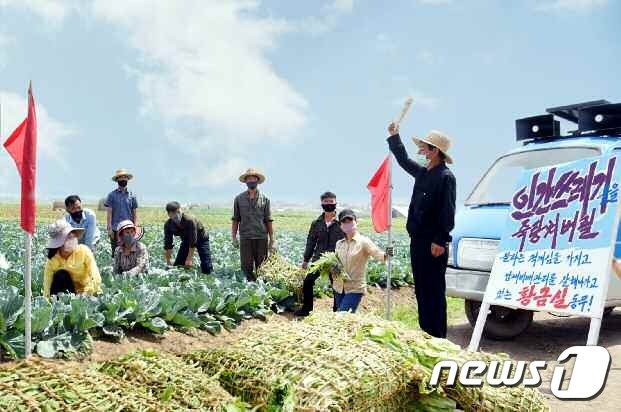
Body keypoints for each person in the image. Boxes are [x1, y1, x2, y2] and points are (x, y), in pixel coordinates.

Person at [386, 122, 456, 338]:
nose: (421, 151)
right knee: (422, 289)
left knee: (434, 291)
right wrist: (395, 136)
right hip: (417, 241)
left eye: (424, 148)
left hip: (434, 244)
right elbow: (403, 160)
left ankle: (438, 337)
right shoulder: (423, 173)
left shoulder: (446, 177)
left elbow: (447, 212)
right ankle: (426, 332)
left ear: (435, 151)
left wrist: (440, 239)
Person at [294, 191, 345, 317]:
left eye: (331, 202)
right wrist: (306, 260)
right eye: (326, 202)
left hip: (336, 259)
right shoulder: (316, 223)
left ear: (335, 203)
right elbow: (311, 241)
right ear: (322, 204)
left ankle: (338, 310)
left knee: (337, 285)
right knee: (308, 281)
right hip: (319, 259)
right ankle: (306, 309)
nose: (329, 204)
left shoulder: (342, 222)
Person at [332, 209, 392, 313]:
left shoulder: (363, 242)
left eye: (350, 221)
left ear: (356, 222)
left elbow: (379, 255)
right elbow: (335, 263)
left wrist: (389, 251)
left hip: (355, 288)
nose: (347, 224)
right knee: (344, 320)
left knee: (342, 316)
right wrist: (333, 268)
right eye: (344, 222)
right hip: (338, 287)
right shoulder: (339, 244)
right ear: (340, 225)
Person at [231, 168, 275, 281]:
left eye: (253, 178)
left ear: (257, 180)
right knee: (246, 267)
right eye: (249, 178)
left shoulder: (265, 200)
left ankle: (262, 290)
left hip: (261, 237)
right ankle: (250, 289)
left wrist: (272, 240)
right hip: (245, 238)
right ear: (245, 181)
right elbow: (235, 219)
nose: (251, 180)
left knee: (262, 267)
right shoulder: (238, 199)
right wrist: (233, 237)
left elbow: (268, 220)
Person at [43, 219, 102, 298]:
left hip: (86, 292)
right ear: (59, 243)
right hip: (67, 293)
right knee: (61, 274)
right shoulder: (53, 259)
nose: (73, 239)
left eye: (73, 236)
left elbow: (95, 276)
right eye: (68, 237)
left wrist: (87, 293)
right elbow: (47, 283)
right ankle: (59, 303)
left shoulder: (84, 251)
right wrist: (46, 300)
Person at [164, 201, 213, 274]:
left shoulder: (189, 220)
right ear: (169, 214)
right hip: (186, 240)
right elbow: (168, 244)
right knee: (178, 265)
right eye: (174, 214)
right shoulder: (168, 225)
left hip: (201, 239)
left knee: (206, 264)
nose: (177, 216)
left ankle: (208, 275)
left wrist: (189, 259)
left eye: (179, 212)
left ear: (180, 210)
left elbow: (193, 241)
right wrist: (168, 260)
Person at [105, 169, 138, 257]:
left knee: (130, 251)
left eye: (125, 177)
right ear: (117, 180)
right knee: (116, 252)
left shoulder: (132, 195)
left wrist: (136, 227)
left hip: (129, 229)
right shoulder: (111, 195)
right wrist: (109, 228)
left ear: (127, 179)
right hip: (115, 229)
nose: (123, 179)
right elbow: (109, 213)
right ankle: (116, 270)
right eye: (121, 178)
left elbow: (134, 213)